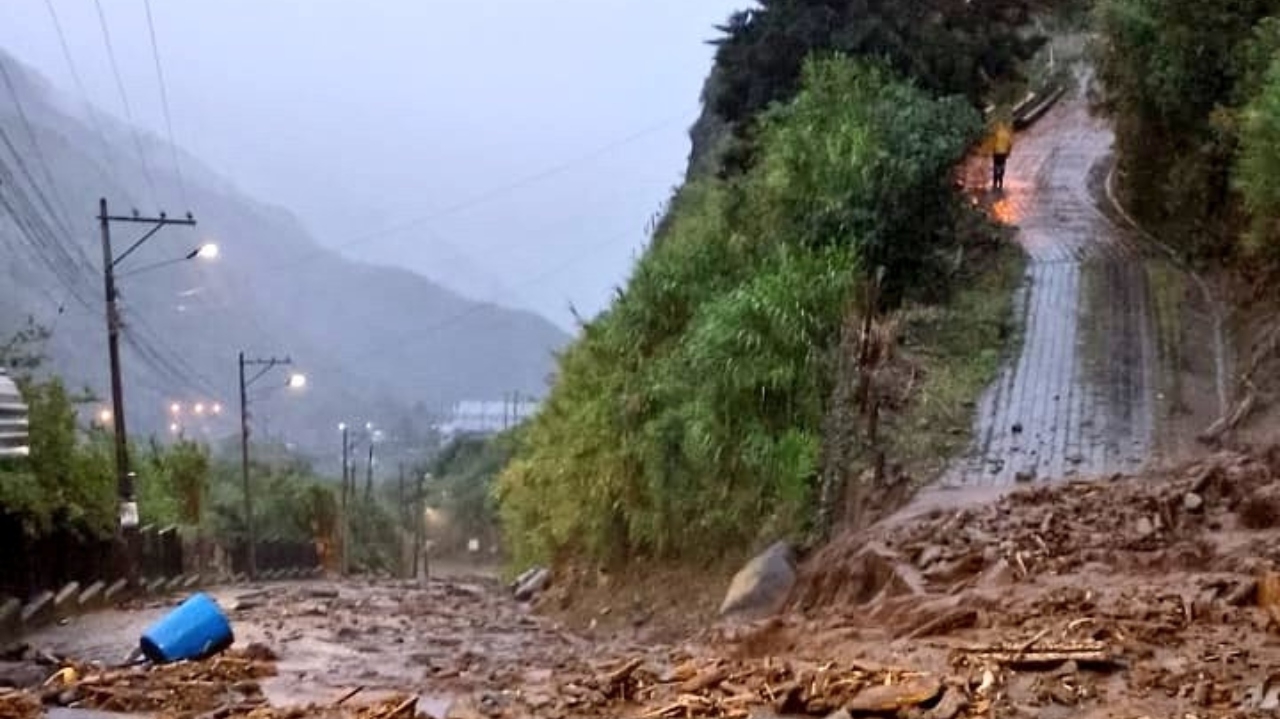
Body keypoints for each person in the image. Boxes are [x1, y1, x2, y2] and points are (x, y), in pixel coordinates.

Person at [990, 119, 1014, 190]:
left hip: (996, 153)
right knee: (1002, 166)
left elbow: (992, 143)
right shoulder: (1006, 134)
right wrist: (1008, 152)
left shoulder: (996, 133)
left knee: (996, 167)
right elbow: (1010, 144)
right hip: (1003, 154)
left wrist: (992, 150)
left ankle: (995, 183)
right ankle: (1000, 182)